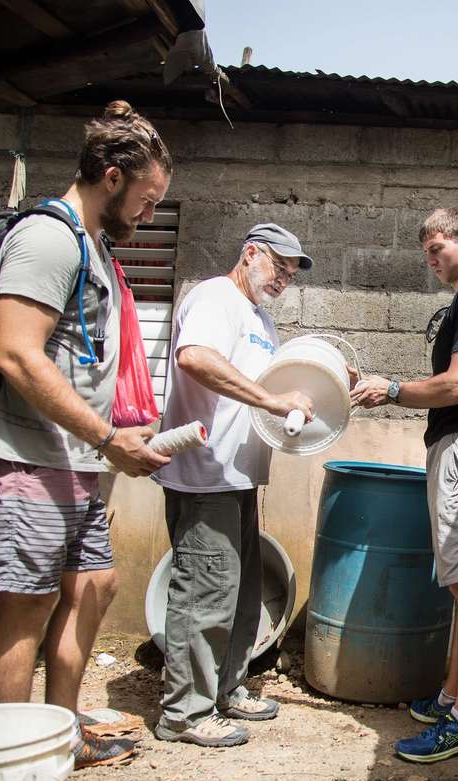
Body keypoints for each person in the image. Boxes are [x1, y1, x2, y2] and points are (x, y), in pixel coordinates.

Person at [0, 100, 173, 770]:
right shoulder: (47, 237)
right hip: (29, 456)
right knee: (28, 605)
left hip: (76, 462)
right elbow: (18, 355)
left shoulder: (95, 245)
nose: (150, 214)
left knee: (96, 585)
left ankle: (62, 736)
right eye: (147, 198)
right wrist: (108, 439)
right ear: (111, 177)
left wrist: (113, 443)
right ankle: (15, 766)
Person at [352, 207, 458, 763]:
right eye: (426, 252)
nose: (430, 261)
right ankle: (451, 698)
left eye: (435, 249)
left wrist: (392, 389)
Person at [152, 223, 317, 748]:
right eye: (279, 266)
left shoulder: (261, 319)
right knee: (204, 594)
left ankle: (227, 689)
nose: (285, 278)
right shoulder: (213, 297)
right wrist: (271, 402)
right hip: (204, 474)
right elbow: (195, 358)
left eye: (292, 273)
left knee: (240, 593)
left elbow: (269, 386)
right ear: (250, 254)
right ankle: (184, 713)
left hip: (240, 475)